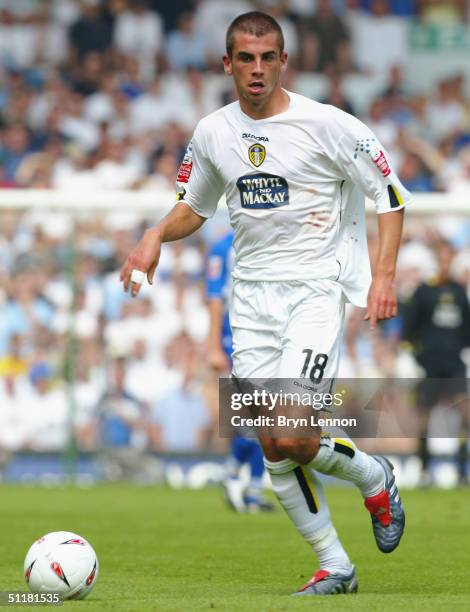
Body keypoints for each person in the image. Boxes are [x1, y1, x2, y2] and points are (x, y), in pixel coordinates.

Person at [120, 11, 408, 596]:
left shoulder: (329, 125)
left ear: (283, 62)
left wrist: (382, 276)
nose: (256, 69)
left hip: (314, 292)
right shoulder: (212, 133)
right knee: (275, 445)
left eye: (267, 57)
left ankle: (373, 476)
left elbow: (391, 197)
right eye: (245, 59)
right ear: (227, 63)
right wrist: (154, 235)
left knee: (293, 432)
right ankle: (337, 565)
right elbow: (195, 208)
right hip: (249, 302)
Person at [207, 230, 274, 512]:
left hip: (270, 336)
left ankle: (238, 477)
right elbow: (214, 296)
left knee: (263, 416)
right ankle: (243, 481)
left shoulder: (271, 236)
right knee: (261, 414)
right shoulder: (224, 247)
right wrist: (213, 344)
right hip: (237, 337)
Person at [403, 241, 470, 484]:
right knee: (424, 416)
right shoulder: (423, 292)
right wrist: (416, 356)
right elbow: (409, 328)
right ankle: (423, 470)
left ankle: (463, 471)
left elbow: (466, 328)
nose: (445, 263)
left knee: (465, 414)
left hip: (453, 363)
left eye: (448, 258)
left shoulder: (459, 291)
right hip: (429, 363)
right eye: (440, 258)